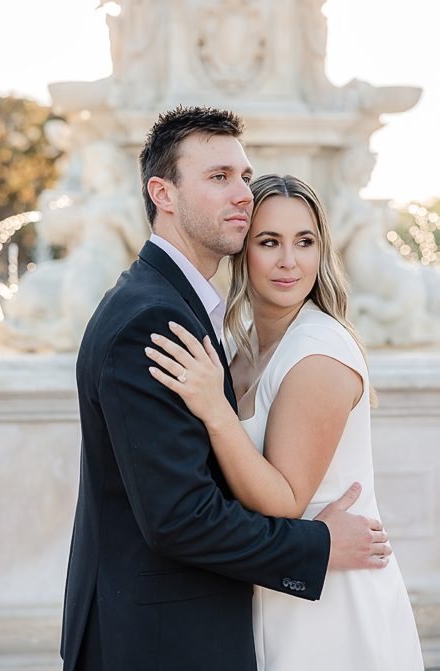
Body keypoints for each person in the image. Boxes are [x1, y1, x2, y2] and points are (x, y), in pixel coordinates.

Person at [60, 106, 393, 671]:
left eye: (243, 175)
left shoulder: (184, 310)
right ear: (163, 194)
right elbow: (180, 518)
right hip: (160, 641)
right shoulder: (155, 320)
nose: (241, 191)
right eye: (219, 177)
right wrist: (318, 546)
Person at [145, 173, 423, 670]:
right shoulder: (238, 345)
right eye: (269, 242)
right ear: (242, 251)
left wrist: (214, 409)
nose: (289, 261)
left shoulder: (319, 352)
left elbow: (285, 500)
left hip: (334, 604)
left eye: (305, 242)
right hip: (273, 589)